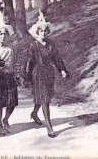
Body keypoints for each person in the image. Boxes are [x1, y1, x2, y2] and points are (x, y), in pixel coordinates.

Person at [24, 10, 69, 138]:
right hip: (37, 74)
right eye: (41, 31)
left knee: (44, 97)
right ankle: (49, 127)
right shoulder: (33, 46)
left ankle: (34, 113)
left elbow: (57, 58)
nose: (43, 33)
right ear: (37, 32)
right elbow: (29, 62)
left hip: (49, 74)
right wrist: (27, 77)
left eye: (45, 31)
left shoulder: (51, 44)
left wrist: (62, 70)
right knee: (45, 100)